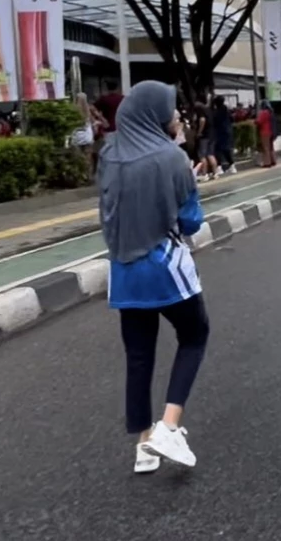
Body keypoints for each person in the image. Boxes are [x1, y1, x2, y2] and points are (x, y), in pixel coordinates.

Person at [98, 80, 210, 474]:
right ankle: (170, 425)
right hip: (164, 268)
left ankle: (144, 447)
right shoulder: (172, 158)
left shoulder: (109, 153)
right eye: (172, 112)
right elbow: (190, 221)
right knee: (195, 335)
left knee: (139, 356)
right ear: (156, 116)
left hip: (123, 271)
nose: (176, 118)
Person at [193, 95, 220, 180]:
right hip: (212, 134)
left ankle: (204, 174)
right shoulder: (208, 109)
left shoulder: (200, 109)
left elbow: (202, 120)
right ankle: (215, 173)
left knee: (202, 155)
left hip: (204, 135)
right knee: (210, 154)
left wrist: (199, 132)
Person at [211, 95, 237, 174]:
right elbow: (232, 119)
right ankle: (232, 165)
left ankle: (219, 167)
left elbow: (214, 121)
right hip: (227, 131)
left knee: (217, 150)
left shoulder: (217, 112)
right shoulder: (226, 110)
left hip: (220, 132)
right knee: (226, 149)